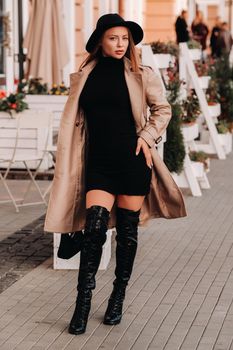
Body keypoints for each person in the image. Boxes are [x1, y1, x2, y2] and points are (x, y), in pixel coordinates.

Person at [44, 13, 187, 335]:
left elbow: (163, 109)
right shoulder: (84, 75)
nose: (121, 44)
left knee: (127, 234)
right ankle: (82, 304)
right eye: (114, 38)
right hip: (97, 163)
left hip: (132, 161)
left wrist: (147, 137)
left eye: (125, 39)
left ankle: (117, 297)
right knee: (93, 230)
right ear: (100, 41)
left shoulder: (141, 74)